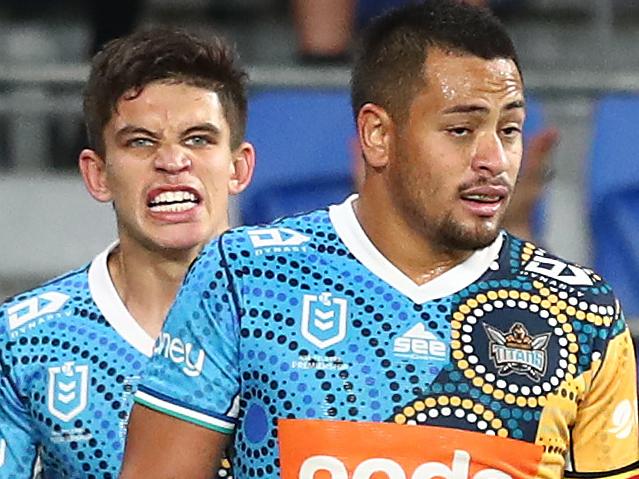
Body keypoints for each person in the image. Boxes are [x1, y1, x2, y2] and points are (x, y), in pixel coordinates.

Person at [121, 1, 639, 478]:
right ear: (377, 135)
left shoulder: (582, 312)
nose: (494, 160)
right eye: (461, 130)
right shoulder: (244, 277)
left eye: (509, 130)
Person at [0, 27, 254, 478]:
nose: (173, 162)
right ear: (97, 175)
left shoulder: (294, 318)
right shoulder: (22, 341)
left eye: (198, 139)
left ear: (239, 167)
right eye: (140, 141)